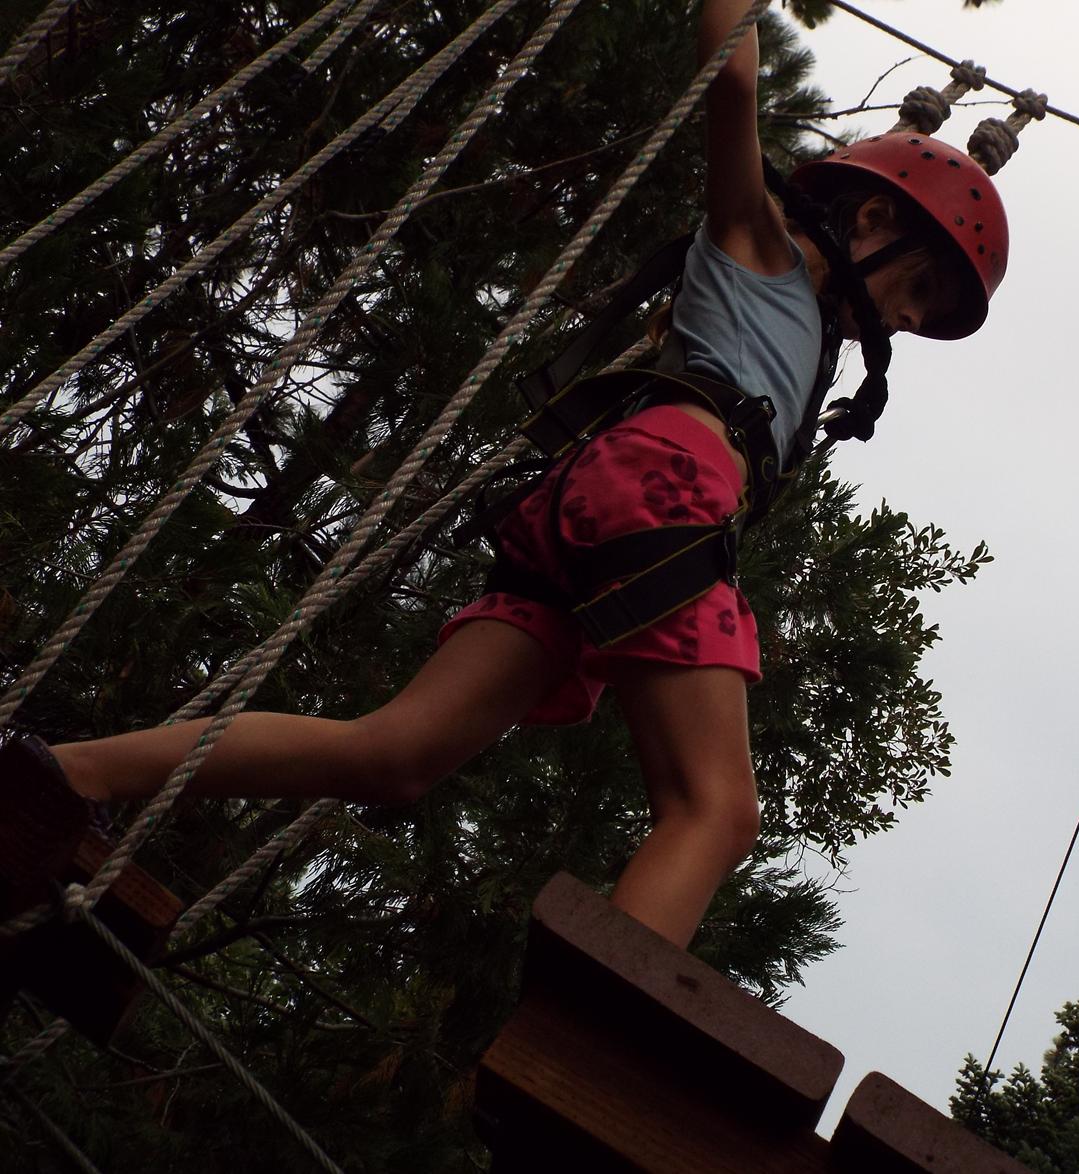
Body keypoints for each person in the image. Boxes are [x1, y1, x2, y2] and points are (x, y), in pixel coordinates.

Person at [1, 0, 1009, 952]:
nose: (911, 318)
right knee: (716, 809)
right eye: (918, 286)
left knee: (396, 754)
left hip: (608, 505)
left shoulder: (812, 336)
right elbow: (733, 80)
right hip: (664, 489)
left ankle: (63, 774)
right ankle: (591, 1040)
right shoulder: (757, 243)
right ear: (866, 220)